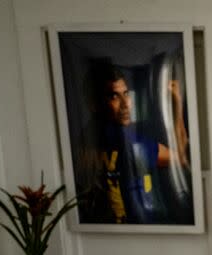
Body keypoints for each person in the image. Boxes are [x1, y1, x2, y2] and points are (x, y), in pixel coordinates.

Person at [77, 63, 190, 225]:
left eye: (126, 94)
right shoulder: (134, 143)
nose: (125, 104)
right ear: (95, 104)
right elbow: (181, 158)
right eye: (114, 96)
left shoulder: (84, 138)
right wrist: (177, 102)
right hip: (137, 230)